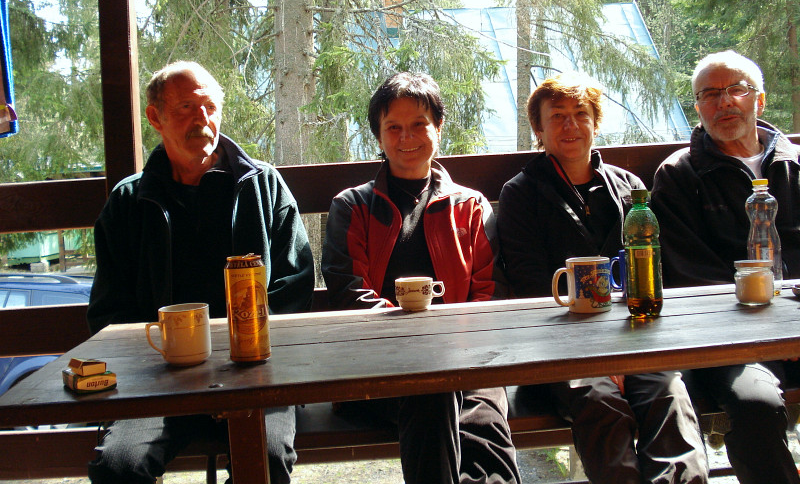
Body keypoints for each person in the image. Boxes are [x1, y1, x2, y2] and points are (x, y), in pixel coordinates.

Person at [86, 61, 315, 484]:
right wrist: (166, 362)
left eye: (210, 107)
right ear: (155, 117)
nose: (202, 119)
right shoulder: (129, 202)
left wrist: (245, 360)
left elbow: (294, 285)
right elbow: (108, 310)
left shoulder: (262, 186)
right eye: (186, 107)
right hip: (158, 382)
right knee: (119, 466)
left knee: (265, 460)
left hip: (254, 377)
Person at [496, 72, 708, 484]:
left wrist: (625, 353)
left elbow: (651, 271)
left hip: (635, 338)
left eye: (581, 113)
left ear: (595, 122)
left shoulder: (629, 188)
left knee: (668, 397)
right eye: (557, 116)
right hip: (561, 350)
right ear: (538, 129)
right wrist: (598, 355)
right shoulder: (521, 193)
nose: (571, 125)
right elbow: (531, 286)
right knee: (601, 403)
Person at [321, 72, 521, 484]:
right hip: (376, 368)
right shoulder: (353, 207)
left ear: (438, 128)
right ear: (378, 136)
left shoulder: (470, 206)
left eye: (418, 124)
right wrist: (422, 348)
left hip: (468, 361)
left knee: (484, 431)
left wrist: (452, 351)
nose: (406, 137)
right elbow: (348, 291)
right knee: (431, 392)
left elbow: (489, 292)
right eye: (393, 127)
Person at [651, 50, 800, 484]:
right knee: (753, 406)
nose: (724, 102)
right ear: (698, 107)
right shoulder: (679, 176)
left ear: (760, 100)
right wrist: (770, 327)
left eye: (737, 89)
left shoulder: (794, 166)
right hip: (731, 340)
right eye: (710, 94)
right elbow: (689, 273)